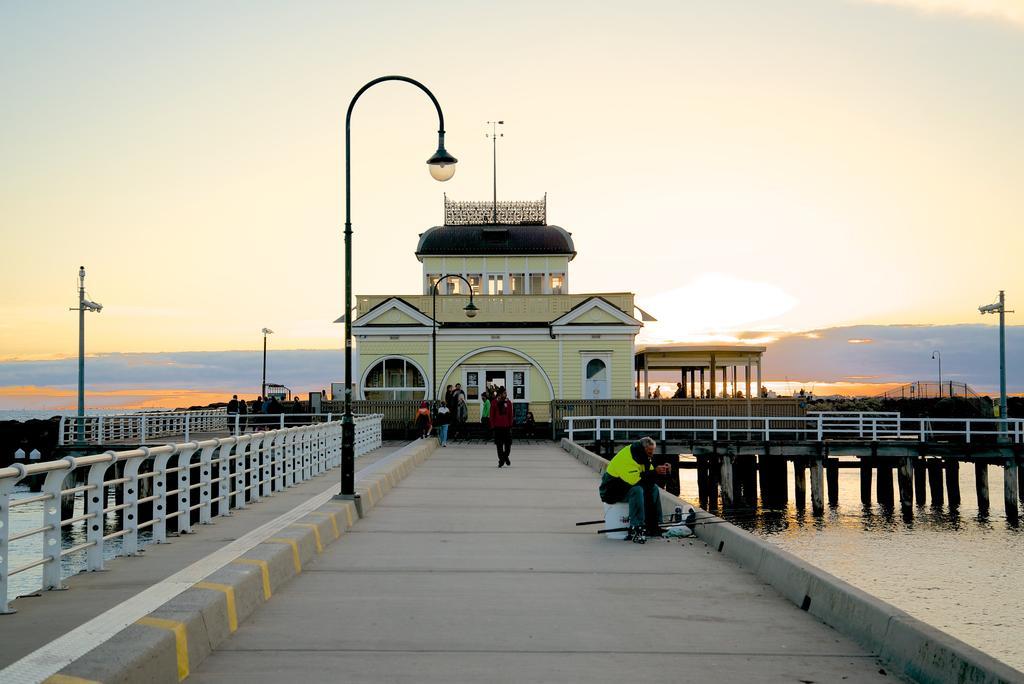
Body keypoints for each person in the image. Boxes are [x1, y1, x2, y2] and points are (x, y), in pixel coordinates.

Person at [598, 436, 670, 544]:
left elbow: (650, 478)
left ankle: (654, 524)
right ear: (643, 449)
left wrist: (664, 472)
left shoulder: (643, 457)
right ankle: (636, 527)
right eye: (650, 452)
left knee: (654, 488)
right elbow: (635, 481)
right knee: (637, 490)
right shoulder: (627, 458)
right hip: (611, 491)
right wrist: (655, 472)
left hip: (625, 487)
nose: (652, 455)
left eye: (652, 452)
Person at [490, 387, 514, 467]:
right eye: (504, 393)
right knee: (499, 445)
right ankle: (501, 460)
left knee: (508, 445)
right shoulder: (494, 402)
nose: (506, 394)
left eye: (506, 393)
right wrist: (492, 426)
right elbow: (491, 415)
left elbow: (511, 415)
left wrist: (510, 425)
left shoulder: (509, 402)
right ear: (500, 394)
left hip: (507, 427)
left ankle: (505, 456)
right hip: (497, 427)